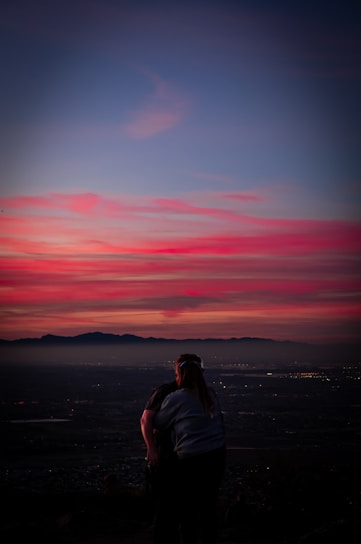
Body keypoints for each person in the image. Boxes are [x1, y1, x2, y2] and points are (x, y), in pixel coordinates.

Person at [154, 355, 226, 544]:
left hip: (191, 460)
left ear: (181, 375)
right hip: (217, 456)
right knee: (208, 507)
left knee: (189, 510)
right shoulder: (211, 394)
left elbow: (159, 422)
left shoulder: (176, 398)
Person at [140, 354, 204, 544]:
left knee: (186, 510)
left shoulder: (196, 393)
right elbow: (146, 420)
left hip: (186, 458)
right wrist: (151, 448)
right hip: (166, 456)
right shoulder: (166, 391)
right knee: (167, 509)